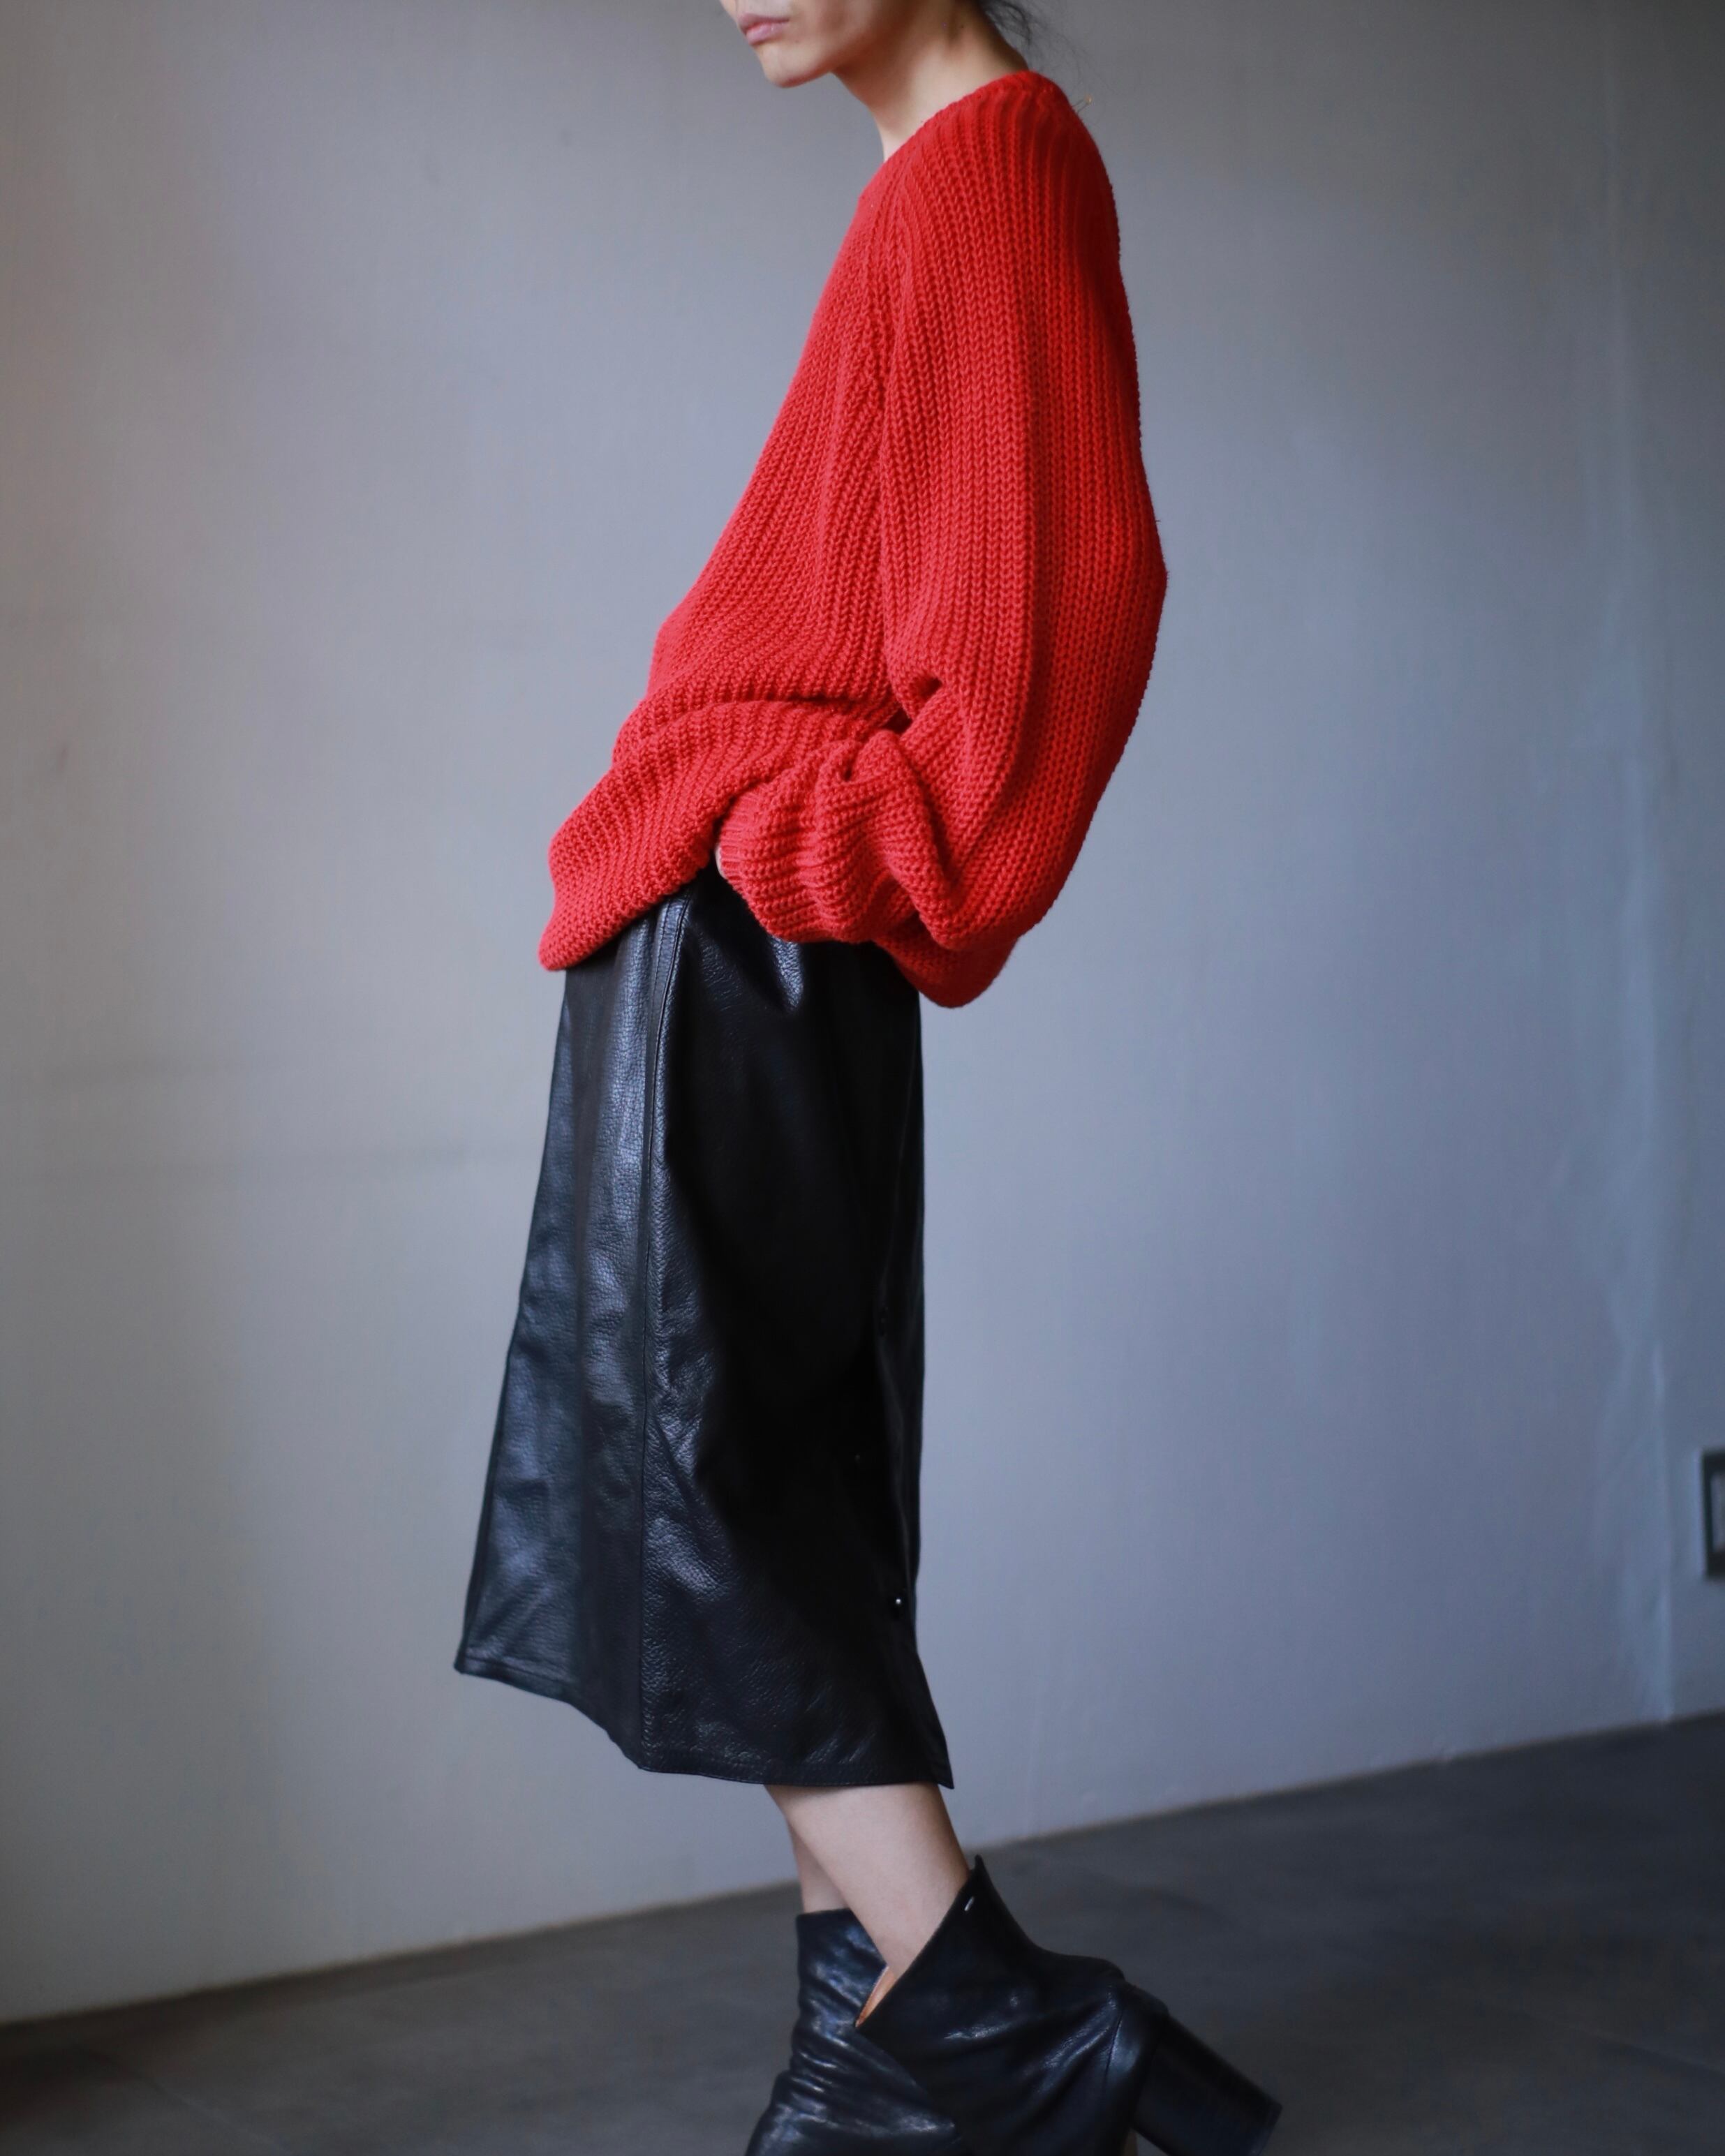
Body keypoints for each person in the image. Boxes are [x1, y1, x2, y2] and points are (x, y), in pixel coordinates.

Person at [455, 3, 1280, 2150]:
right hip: (736, 941)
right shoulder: (939, 180)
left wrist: (792, 855)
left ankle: (1020, 2034)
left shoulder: (994, 169)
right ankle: (865, 2048)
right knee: (769, 1491)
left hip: (745, 944)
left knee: (713, 1502)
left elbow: (1064, 628)